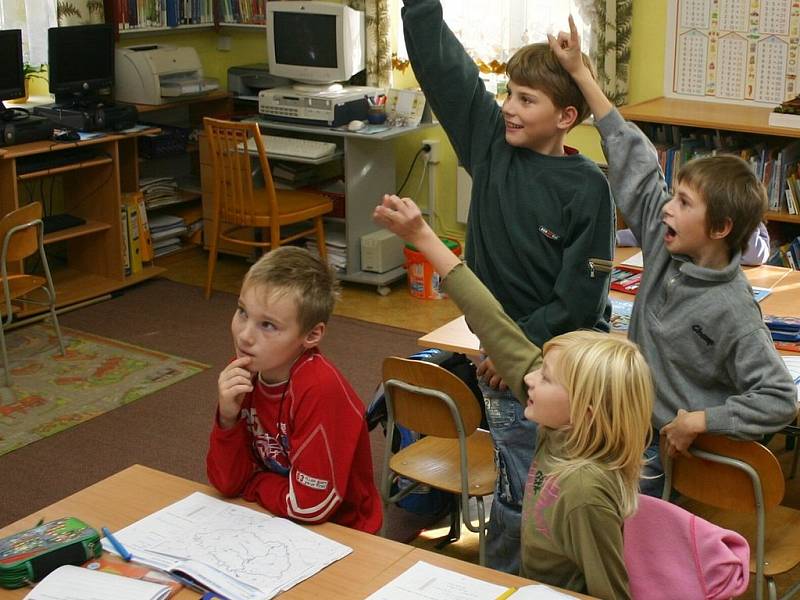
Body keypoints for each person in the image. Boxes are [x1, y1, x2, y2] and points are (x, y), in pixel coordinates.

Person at [401, 0, 615, 571]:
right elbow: (445, 68)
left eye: (526, 99)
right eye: (507, 95)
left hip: (556, 369)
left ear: (566, 116)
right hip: (499, 361)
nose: (508, 109)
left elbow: (580, 300)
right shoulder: (490, 144)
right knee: (514, 493)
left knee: (543, 499)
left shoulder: (587, 187)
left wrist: (518, 347)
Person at [550, 17, 797, 497]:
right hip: (628, 431)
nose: (667, 206)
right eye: (674, 195)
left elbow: (779, 398)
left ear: (721, 229)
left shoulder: (733, 310)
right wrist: (581, 72)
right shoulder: (666, 247)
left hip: (677, 456)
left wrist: (703, 420)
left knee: (641, 541)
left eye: (684, 203)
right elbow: (635, 159)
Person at [374, 194, 653, 599]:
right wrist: (423, 236)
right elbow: (492, 320)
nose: (529, 379)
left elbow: (611, 591)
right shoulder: (562, 423)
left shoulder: (585, 493)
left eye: (546, 376)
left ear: (586, 412)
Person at [206, 246, 382, 533]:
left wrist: (254, 482)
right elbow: (226, 483)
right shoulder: (245, 370)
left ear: (311, 335)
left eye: (268, 325)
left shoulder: (318, 389)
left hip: (342, 534)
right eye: (242, 312)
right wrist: (227, 419)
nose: (245, 335)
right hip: (272, 519)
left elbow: (311, 505)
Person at [616, 220, 771, 266]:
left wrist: (748, 220)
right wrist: (616, 238)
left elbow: (755, 256)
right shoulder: (687, 222)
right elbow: (651, 233)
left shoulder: (750, 231)